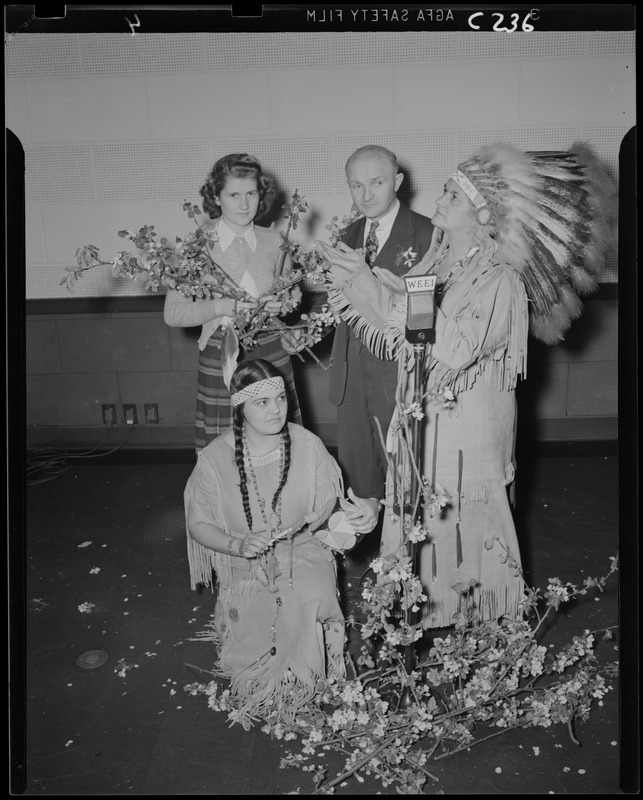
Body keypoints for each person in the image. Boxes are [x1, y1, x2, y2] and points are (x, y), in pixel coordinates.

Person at [317, 141, 615, 628]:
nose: (441, 199)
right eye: (445, 190)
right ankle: (423, 625)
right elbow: (407, 332)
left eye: (453, 196)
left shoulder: (501, 282)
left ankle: (481, 636)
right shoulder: (435, 265)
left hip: (467, 441)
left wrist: (386, 289)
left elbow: (454, 348)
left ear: (481, 215)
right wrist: (360, 279)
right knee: (423, 534)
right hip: (422, 428)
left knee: (465, 538)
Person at [183, 359, 378, 727]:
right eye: (262, 402)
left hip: (303, 547)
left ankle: (304, 686)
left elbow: (331, 518)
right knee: (257, 624)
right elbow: (198, 524)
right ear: (240, 408)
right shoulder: (214, 459)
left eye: (281, 398)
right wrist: (236, 545)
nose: (276, 410)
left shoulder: (308, 445)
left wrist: (366, 513)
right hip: (244, 558)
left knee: (305, 598)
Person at [325, 145, 434, 532]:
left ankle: (408, 567)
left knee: (407, 479)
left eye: (377, 182)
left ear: (398, 182)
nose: (366, 195)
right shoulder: (347, 234)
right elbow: (340, 308)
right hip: (352, 376)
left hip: (397, 376)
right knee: (361, 486)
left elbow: (424, 324)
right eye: (356, 185)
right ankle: (378, 569)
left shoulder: (427, 234)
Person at [164, 153, 302, 451]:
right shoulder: (194, 246)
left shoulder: (277, 242)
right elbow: (173, 314)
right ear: (216, 196)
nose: (243, 204)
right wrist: (219, 308)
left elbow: (293, 294)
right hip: (221, 354)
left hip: (272, 350)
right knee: (225, 449)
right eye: (233, 195)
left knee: (279, 445)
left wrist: (284, 304)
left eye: (251, 193)